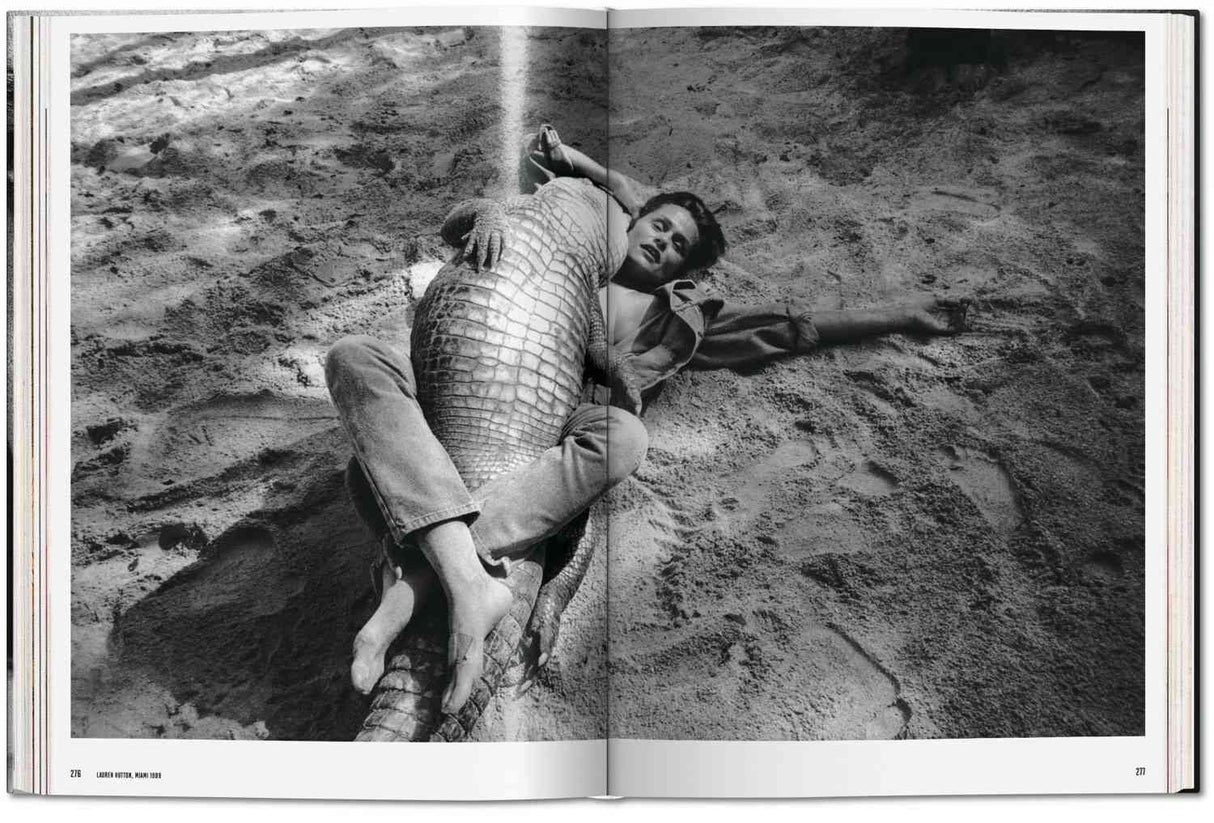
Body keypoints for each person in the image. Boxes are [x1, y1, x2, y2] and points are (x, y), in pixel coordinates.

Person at [326, 125, 968, 714]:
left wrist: (903, 316)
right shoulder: (567, 228)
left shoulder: (667, 321)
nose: (663, 241)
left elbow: (788, 329)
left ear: (682, 274)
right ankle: (457, 572)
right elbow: (491, 217)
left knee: (624, 438)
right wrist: (533, 189)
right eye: (658, 226)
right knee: (356, 361)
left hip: (552, 421)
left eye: (678, 247)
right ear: (632, 220)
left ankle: (428, 566)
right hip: (452, 384)